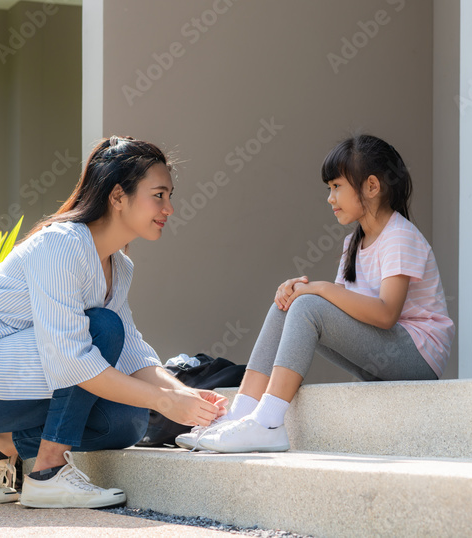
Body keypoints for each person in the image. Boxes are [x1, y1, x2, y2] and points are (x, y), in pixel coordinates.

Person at [0, 136, 228, 508]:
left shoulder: (119, 264)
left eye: (169, 196)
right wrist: (164, 401)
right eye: (159, 195)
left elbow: (133, 352)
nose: (170, 208)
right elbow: (70, 358)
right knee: (101, 329)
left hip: (16, 382)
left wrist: (182, 395)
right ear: (118, 197)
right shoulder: (61, 245)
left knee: (127, 421)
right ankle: (47, 474)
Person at [177, 133, 454, 453]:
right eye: (329, 188)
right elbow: (341, 304)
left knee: (308, 304)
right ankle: (240, 413)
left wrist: (318, 289)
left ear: (372, 187)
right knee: (288, 304)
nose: (330, 197)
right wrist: (296, 290)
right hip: (387, 354)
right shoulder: (355, 242)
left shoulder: (399, 236)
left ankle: (268, 423)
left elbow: (385, 313)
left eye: (337, 186)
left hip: (417, 357)